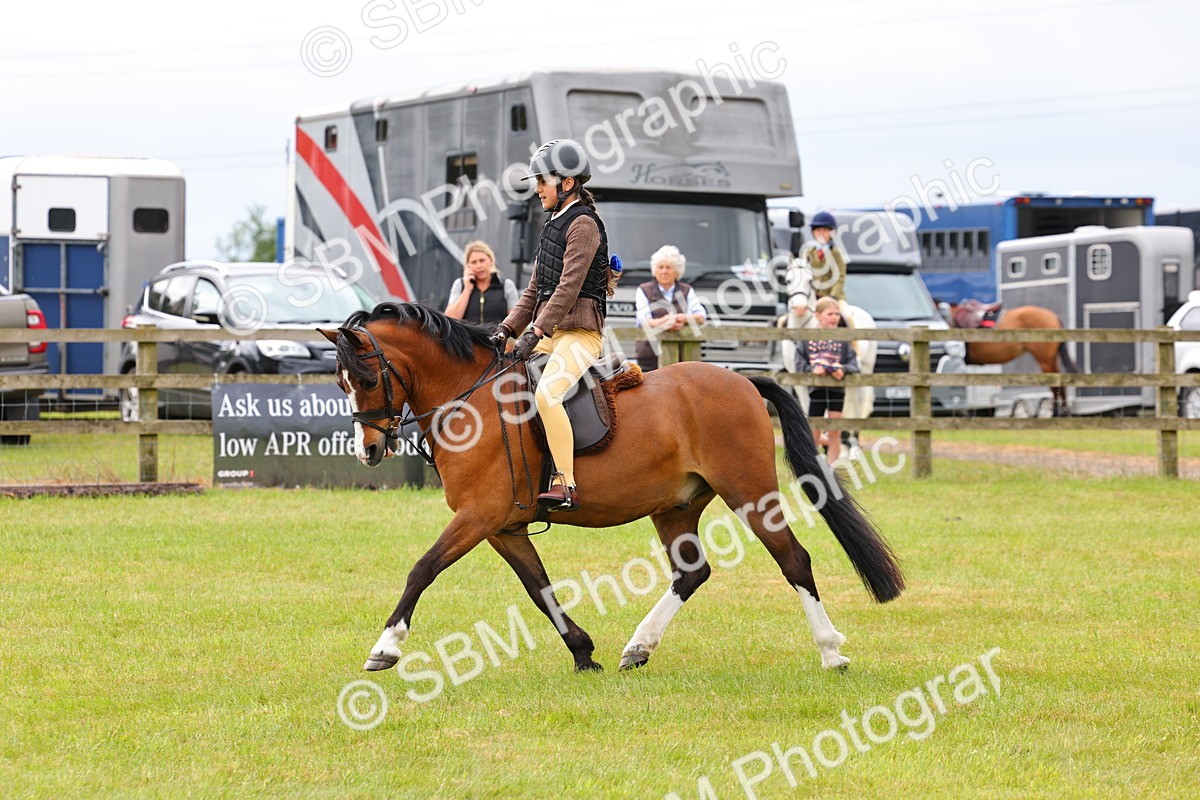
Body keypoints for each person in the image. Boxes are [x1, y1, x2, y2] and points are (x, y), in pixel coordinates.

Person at [490, 139, 612, 512]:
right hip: (552, 334)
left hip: (580, 334)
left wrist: (536, 331)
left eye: (542, 181)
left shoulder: (584, 224)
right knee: (499, 380)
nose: (538, 189)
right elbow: (534, 291)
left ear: (567, 183)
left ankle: (565, 483)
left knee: (547, 395)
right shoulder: (552, 224)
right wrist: (507, 329)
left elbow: (568, 288)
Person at [796, 297, 859, 464]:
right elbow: (799, 363)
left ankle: (832, 467)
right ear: (817, 315)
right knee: (814, 430)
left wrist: (842, 369)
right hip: (816, 391)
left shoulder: (843, 340)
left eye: (837, 314)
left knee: (835, 430)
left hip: (837, 390)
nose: (835, 317)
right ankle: (813, 465)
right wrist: (812, 370)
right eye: (830, 314)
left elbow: (854, 364)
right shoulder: (807, 339)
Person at [633, 244, 707, 371]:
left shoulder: (687, 290)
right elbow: (644, 321)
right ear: (655, 270)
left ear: (677, 271)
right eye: (660, 267)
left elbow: (701, 316)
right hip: (649, 357)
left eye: (669, 267)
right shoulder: (643, 290)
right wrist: (666, 321)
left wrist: (683, 318)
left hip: (682, 357)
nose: (664, 271)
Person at [444, 240, 519, 328]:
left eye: (482, 260)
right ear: (468, 266)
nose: (479, 265)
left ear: (491, 261)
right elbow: (450, 320)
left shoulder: (506, 285)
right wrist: (467, 290)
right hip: (467, 337)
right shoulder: (459, 285)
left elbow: (516, 321)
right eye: (474, 262)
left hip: (497, 336)